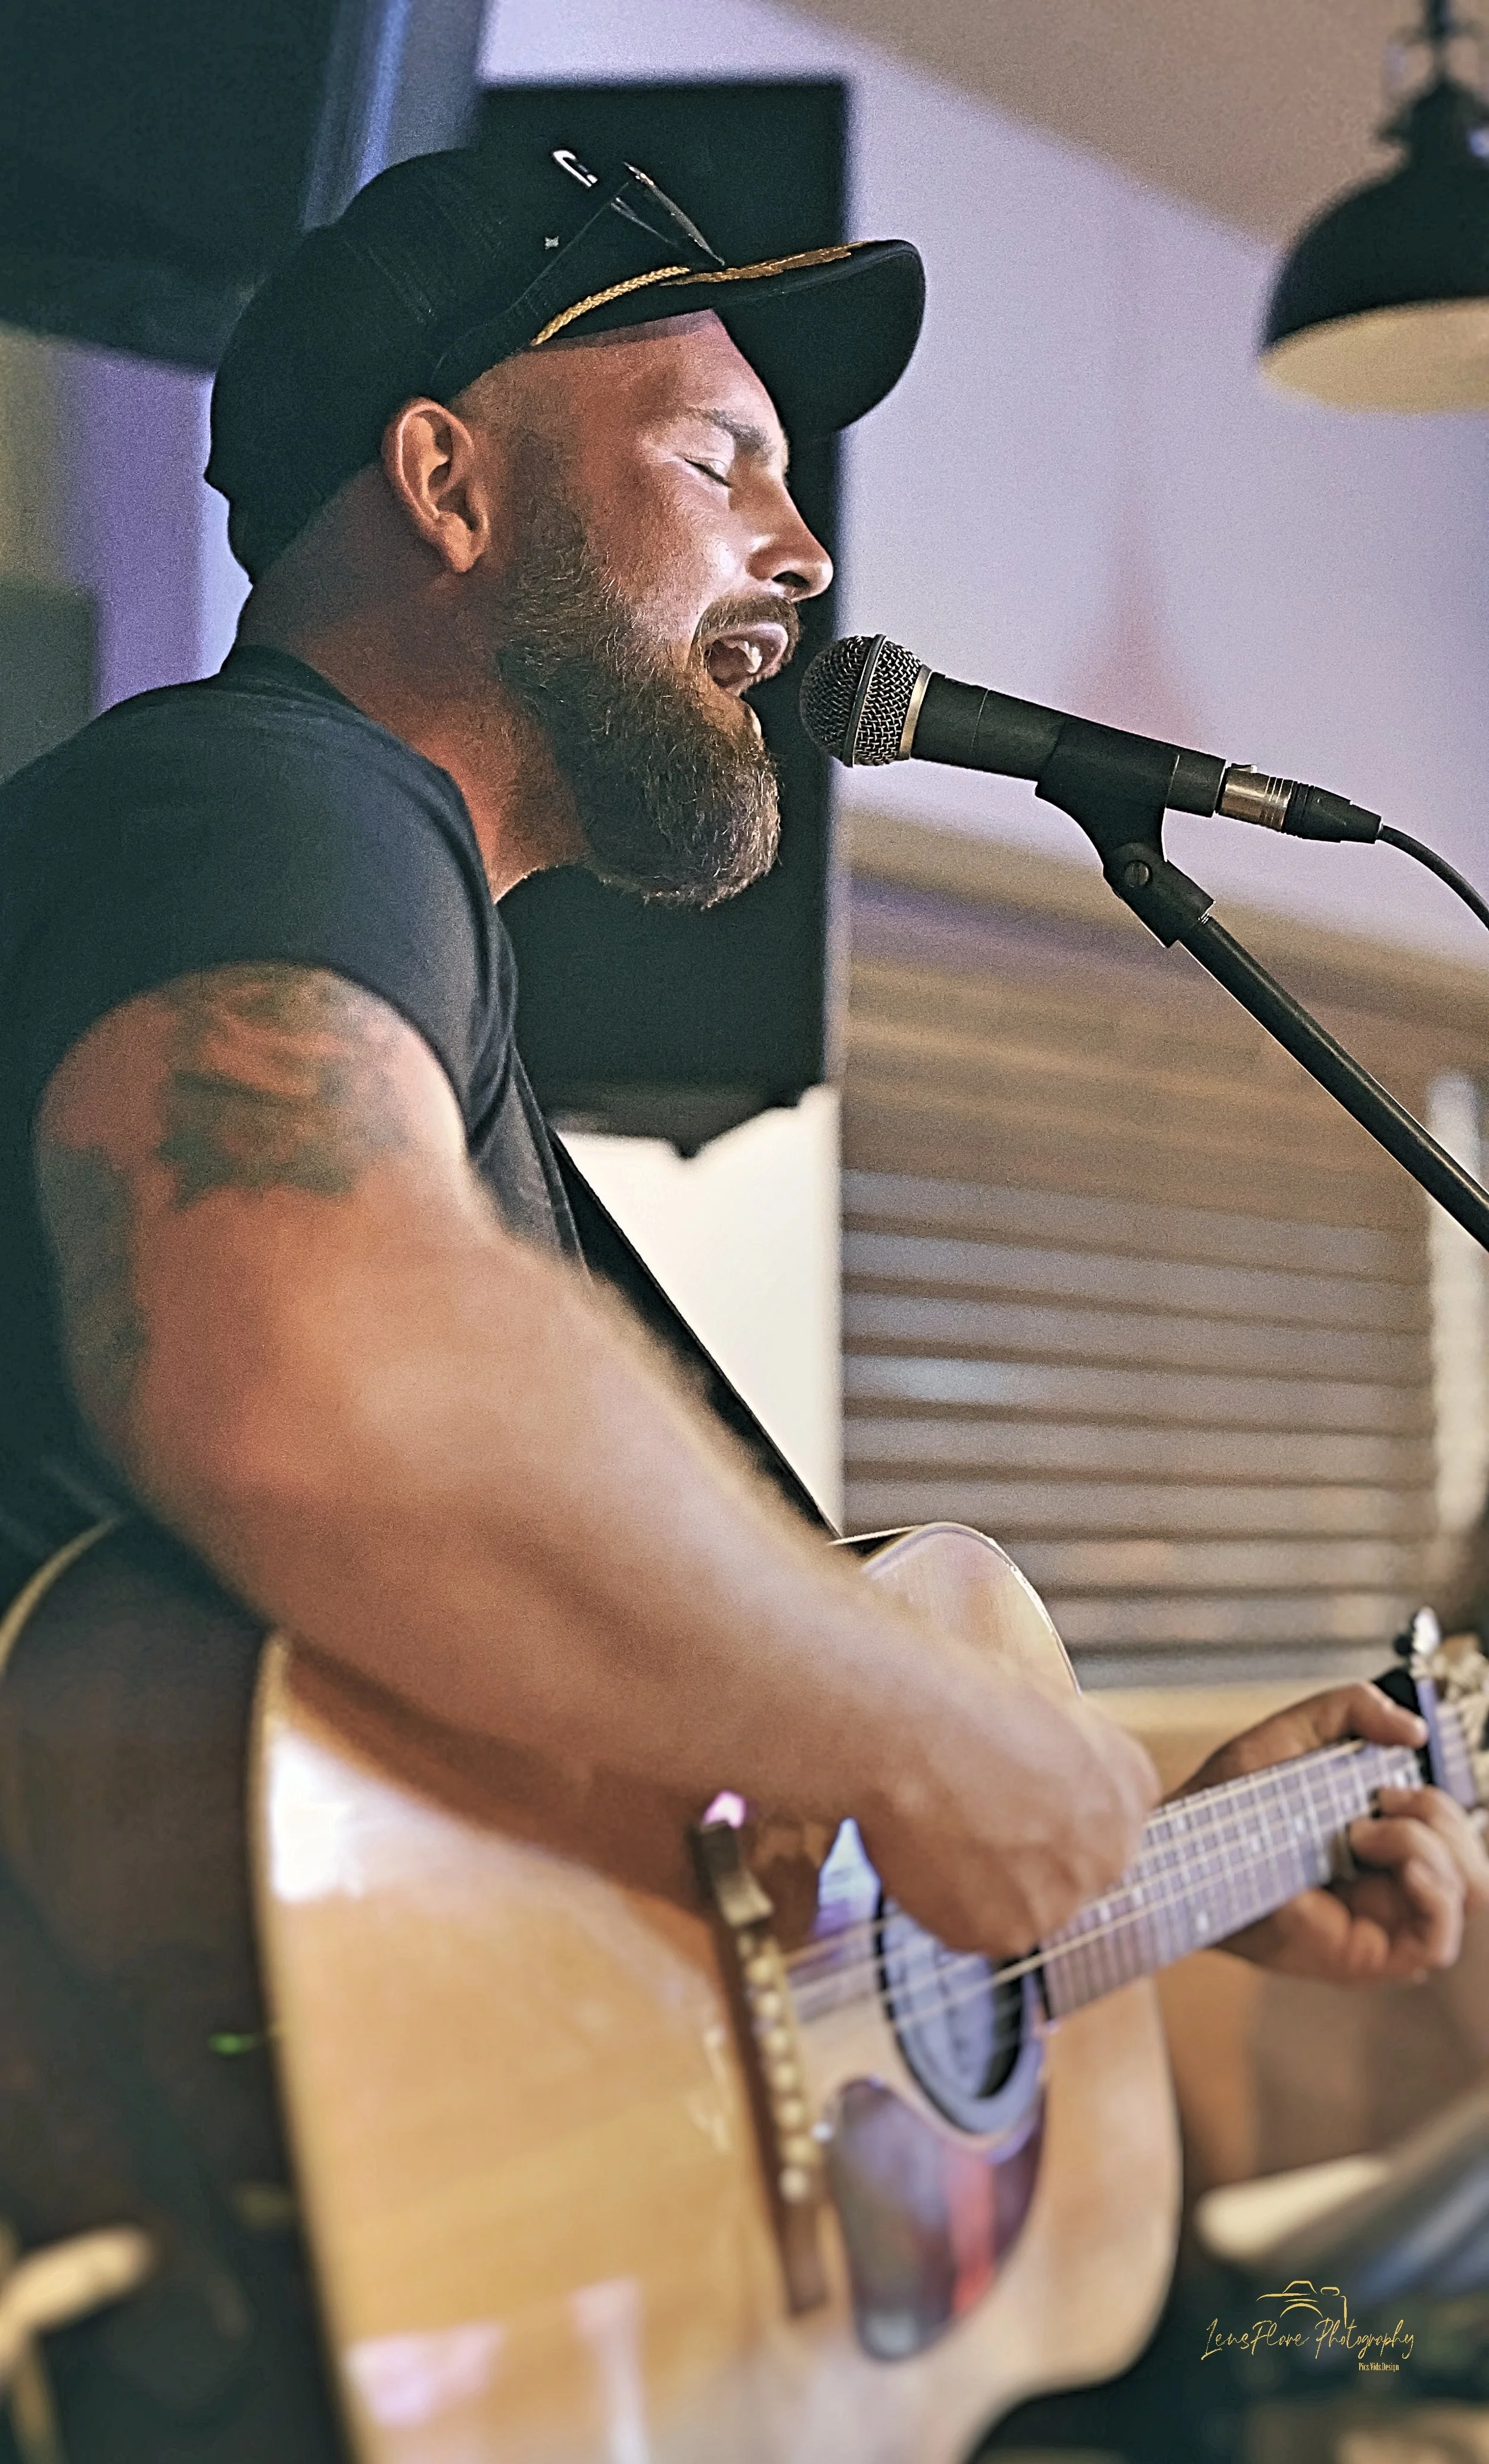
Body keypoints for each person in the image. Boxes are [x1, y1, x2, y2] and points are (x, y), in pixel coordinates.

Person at [0, 139, 1483, 2451]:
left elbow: (687, 1885)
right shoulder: (269, 796)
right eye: (721, 461)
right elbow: (308, 1364)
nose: (803, 551)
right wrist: (933, 1730)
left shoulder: (437, 1009)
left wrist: (1171, 1822)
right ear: (444, 480)